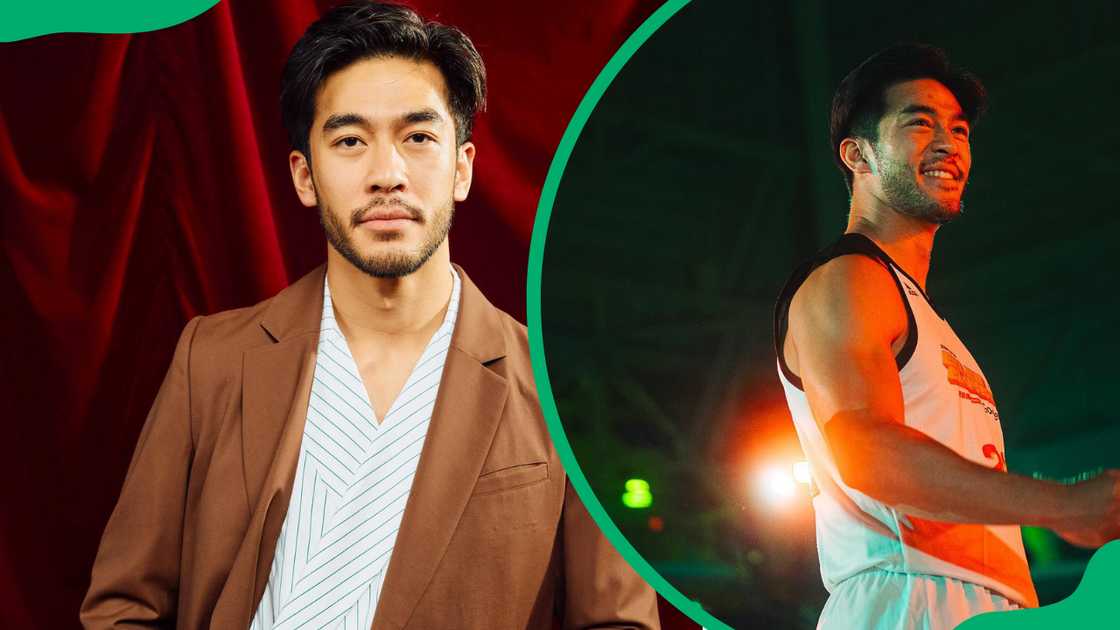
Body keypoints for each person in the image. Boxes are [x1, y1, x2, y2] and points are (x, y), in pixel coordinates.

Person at [80, 3, 659, 628]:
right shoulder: (212, 359)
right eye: (351, 141)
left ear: (462, 168)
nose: (387, 175)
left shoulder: (561, 390)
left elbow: (618, 620)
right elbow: (125, 606)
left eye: (418, 138)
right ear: (305, 175)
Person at [773, 43, 1120, 629]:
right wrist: (1065, 506)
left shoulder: (923, 315)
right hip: (909, 597)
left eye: (959, 131)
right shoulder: (850, 277)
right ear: (858, 155)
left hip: (970, 602)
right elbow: (867, 452)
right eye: (919, 123)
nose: (949, 144)